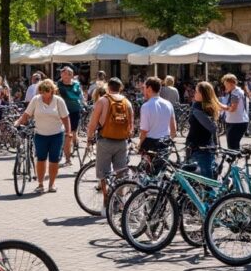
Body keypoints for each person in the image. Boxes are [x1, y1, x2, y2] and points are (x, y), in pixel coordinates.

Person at [85, 78, 133, 213]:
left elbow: (93, 123)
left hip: (105, 141)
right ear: (120, 87)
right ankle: (119, 202)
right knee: (121, 173)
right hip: (121, 142)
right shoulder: (127, 102)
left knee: (103, 173)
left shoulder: (102, 101)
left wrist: (89, 138)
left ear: (108, 88)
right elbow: (131, 126)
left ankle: (106, 201)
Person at [14, 79, 70, 194]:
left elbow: (65, 118)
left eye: (46, 91)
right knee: (41, 159)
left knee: (54, 160)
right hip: (40, 134)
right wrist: (19, 122)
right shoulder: (36, 100)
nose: (43, 94)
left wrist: (68, 133)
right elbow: (26, 114)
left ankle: (52, 183)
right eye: (41, 91)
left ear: (52, 91)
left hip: (56, 134)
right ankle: (40, 184)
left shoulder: (59, 101)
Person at [185, 81, 222, 179]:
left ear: (203, 94)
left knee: (207, 182)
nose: (194, 93)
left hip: (201, 148)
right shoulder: (202, 106)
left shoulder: (198, 108)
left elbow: (212, 128)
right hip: (202, 147)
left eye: (197, 92)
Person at [138, 77, 176, 155]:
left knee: (148, 167)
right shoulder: (168, 104)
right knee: (162, 167)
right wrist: (169, 141)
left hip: (150, 143)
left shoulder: (146, 106)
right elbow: (173, 128)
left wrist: (140, 144)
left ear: (149, 88)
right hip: (165, 141)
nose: (143, 91)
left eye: (144, 88)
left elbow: (144, 131)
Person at [57, 67, 85, 167]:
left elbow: (77, 96)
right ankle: (68, 159)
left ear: (71, 75)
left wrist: (83, 103)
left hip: (74, 111)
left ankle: (75, 144)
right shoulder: (58, 85)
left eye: (67, 74)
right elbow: (71, 95)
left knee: (73, 133)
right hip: (63, 112)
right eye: (63, 74)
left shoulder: (76, 84)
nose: (64, 76)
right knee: (67, 135)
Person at [222, 74, 249, 151]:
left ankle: (234, 162)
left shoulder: (235, 93)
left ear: (232, 83)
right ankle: (234, 162)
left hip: (236, 122)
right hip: (237, 121)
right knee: (234, 146)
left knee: (232, 148)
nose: (225, 86)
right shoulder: (236, 91)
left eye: (226, 84)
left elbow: (233, 108)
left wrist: (220, 106)